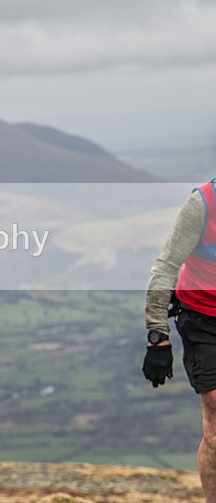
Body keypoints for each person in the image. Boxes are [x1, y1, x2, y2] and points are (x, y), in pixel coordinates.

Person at [144, 179, 216, 501]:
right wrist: (157, 336)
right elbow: (166, 266)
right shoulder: (203, 204)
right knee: (215, 412)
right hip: (202, 316)